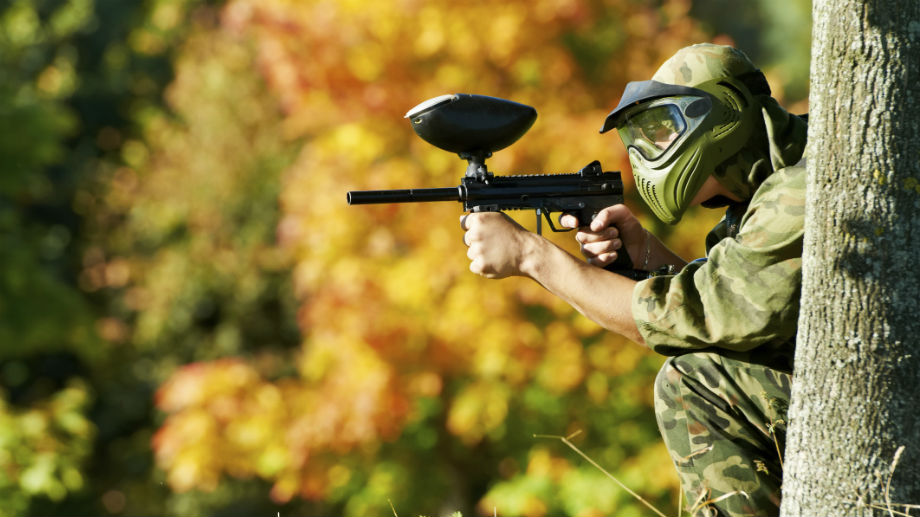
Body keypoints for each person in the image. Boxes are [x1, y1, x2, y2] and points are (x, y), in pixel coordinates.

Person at [460, 43, 807, 517]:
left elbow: (708, 315)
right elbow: (733, 298)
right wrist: (642, 252)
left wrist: (531, 254)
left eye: (665, 131)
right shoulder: (763, 191)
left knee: (694, 383)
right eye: (642, 138)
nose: (649, 153)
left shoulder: (798, 193)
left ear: (725, 113)